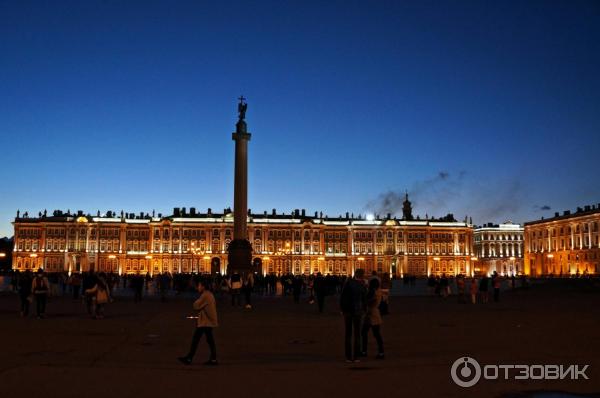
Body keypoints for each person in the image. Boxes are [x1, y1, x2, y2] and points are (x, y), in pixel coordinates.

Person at [178, 279, 218, 366]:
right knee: (209, 340)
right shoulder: (208, 294)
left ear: (203, 287)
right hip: (207, 320)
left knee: (197, 339)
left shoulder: (206, 295)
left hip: (206, 321)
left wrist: (197, 301)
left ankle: (189, 358)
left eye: (199, 286)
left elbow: (195, 306)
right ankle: (213, 358)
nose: (198, 287)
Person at [340, 268, 367, 363]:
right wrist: (364, 310)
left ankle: (348, 357)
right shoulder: (362, 285)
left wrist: (342, 309)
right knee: (357, 334)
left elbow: (342, 297)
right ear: (362, 275)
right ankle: (356, 357)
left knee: (348, 334)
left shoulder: (348, 283)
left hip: (347, 311)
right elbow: (364, 299)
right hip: (358, 311)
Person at [361, 278, 384, 359]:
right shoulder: (379, 291)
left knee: (364, 333)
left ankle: (364, 351)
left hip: (370, 314)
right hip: (376, 314)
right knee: (376, 334)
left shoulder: (372, 292)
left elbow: (370, 301)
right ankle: (381, 352)